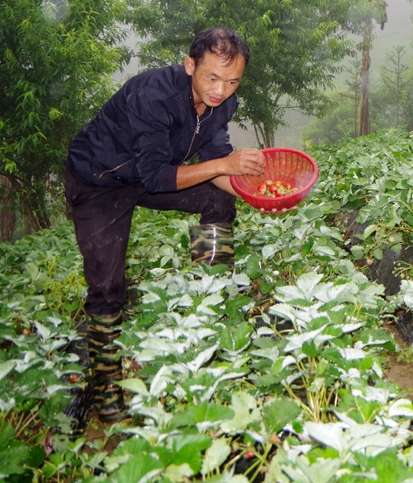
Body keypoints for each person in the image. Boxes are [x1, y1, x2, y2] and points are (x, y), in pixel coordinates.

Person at [64, 27, 265, 423]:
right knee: (107, 288)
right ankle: (106, 392)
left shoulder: (223, 104)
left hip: (149, 176)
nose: (221, 90)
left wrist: (257, 196)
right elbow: (158, 176)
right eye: (212, 77)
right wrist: (225, 165)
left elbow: (214, 159)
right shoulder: (152, 94)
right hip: (99, 181)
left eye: (232, 80)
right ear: (190, 66)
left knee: (218, 197)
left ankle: (206, 304)